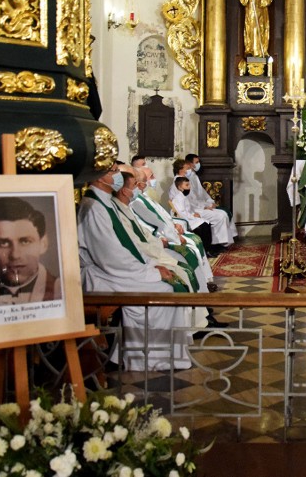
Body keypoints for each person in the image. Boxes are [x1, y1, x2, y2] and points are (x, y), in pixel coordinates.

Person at [77, 163, 194, 371]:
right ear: (98, 176)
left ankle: (165, 355)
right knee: (165, 292)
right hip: (104, 274)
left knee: (171, 283)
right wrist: (151, 272)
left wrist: (153, 264)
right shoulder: (93, 206)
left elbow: (128, 245)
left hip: (119, 270)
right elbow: (110, 256)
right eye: (113, 172)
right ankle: (147, 359)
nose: (117, 176)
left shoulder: (107, 203)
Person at [130, 167, 217, 291]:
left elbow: (162, 217)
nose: (154, 180)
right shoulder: (136, 202)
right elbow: (154, 224)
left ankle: (204, 283)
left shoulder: (144, 198)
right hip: (159, 240)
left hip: (167, 233)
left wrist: (174, 224)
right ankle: (200, 291)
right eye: (151, 177)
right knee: (190, 249)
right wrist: (173, 235)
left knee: (195, 241)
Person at [0, 197, 61, 308]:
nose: (15, 255)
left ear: (43, 244)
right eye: (4, 243)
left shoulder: (62, 292)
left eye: (25, 241)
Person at [175, 157, 237, 246]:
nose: (190, 170)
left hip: (195, 209)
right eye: (187, 169)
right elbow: (183, 205)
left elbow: (196, 197)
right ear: (180, 170)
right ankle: (217, 244)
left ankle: (220, 243)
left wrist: (208, 204)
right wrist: (200, 209)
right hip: (193, 211)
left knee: (222, 214)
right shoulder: (178, 183)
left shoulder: (186, 180)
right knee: (220, 215)